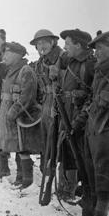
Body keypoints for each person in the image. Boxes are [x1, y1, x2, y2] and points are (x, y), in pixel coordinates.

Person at [57, 29, 95, 216]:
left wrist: (79, 121)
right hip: (68, 115)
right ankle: (71, 191)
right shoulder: (70, 61)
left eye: (68, 43)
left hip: (84, 121)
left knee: (85, 161)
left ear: (79, 45)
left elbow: (93, 97)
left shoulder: (90, 65)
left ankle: (89, 208)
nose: (65, 47)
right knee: (70, 154)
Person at [81, 30, 109, 216]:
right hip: (96, 128)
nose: (97, 53)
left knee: (106, 174)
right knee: (96, 171)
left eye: (100, 48)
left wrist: (101, 98)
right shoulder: (102, 69)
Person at [0, 42, 41, 186]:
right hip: (8, 115)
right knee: (17, 147)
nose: (4, 56)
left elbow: (27, 96)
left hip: (19, 116)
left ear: (17, 54)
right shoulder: (10, 71)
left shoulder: (25, 70)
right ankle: (20, 178)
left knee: (23, 148)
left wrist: (13, 112)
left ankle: (27, 180)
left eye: (7, 53)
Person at [30, 29, 63, 184]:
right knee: (46, 140)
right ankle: (47, 174)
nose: (41, 46)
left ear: (53, 42)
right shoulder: (39, 64)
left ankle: (65, 184)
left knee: (62, 143)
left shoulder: (63, 58)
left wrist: (59, 77)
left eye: (44, 42)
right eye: (38, 43)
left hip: (62, 105)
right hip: (45, 104)